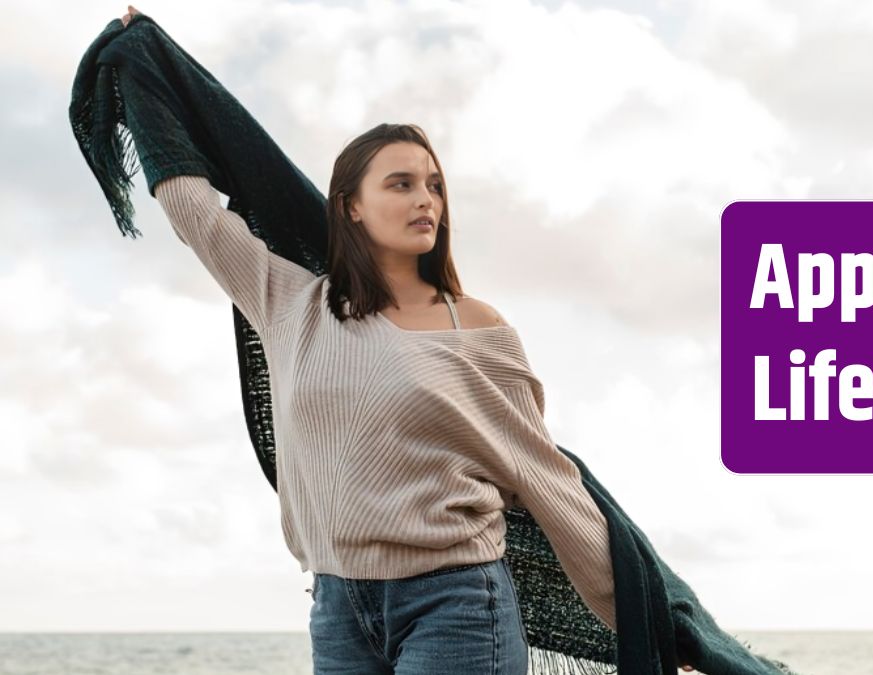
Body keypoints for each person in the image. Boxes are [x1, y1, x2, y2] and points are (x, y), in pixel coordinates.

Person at [118, 5, 697, 673]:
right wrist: (143, 64)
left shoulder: (480, 331)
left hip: (457, 601)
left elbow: (552, 488)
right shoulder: (289, 304)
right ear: (350, 205)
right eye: (401, 183)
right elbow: (194, 212)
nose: (426, 198)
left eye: (434, 185)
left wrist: (652, 631)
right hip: (336, 607)